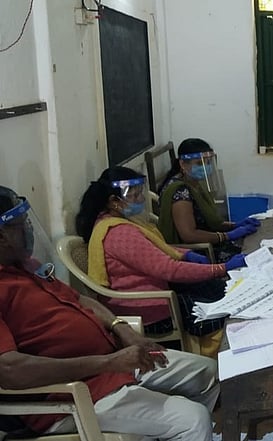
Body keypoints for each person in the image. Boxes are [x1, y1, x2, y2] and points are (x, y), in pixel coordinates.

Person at [0, 184, 219, 439]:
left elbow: (80, 299)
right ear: (1, 236)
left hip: (113, 363)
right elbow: (11, 371)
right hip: (73, 394)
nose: (29, 229)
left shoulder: (27, 267)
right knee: (193, 420)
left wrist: (121, 328)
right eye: (21, 224)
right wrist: (109, 362)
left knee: (208, 372)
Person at [75, 166, 247, 357]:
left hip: (158, 292)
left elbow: (155, 250)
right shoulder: (120, 233)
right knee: (224, 312)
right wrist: (221, 268)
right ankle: (219, 359)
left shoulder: (111, 221)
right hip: (149, 311)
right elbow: (169, 269)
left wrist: (185, 254)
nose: (141, 199)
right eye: (135, 196)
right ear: (114, 202)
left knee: (221, 291)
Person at [158, 138, 259, 262]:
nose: (206, 167)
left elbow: (208, 222)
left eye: (208, 162)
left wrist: (234, 225)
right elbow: (189, 235)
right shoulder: (180, 193)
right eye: (199, 163)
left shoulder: (194, 183)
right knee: (252, 257)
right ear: (183, 164)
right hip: (198, 252)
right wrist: (226, 236)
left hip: (211, 240)